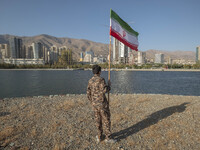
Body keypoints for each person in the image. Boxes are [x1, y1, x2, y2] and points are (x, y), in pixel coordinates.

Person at [87, 65, 116, 143]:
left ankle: (99, 136)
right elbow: (105, 90)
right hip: (102, 104)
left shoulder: (90, 80)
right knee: (106, 120)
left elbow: (88, 93)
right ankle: (108, 138)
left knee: (98, 120)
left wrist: (92, 101)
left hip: (94, 104)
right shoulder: (101, 79)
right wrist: (109, 86)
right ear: (99, 72)